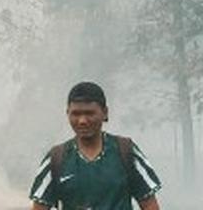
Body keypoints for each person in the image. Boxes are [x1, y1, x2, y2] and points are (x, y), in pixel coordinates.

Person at [29, 81, 162, 210]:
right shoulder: (56, 158)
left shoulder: (126, 151)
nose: (82, 121)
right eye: (75, 114)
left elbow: (150, 205)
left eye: (89, 113)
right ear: (67, 113)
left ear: (105, 113)